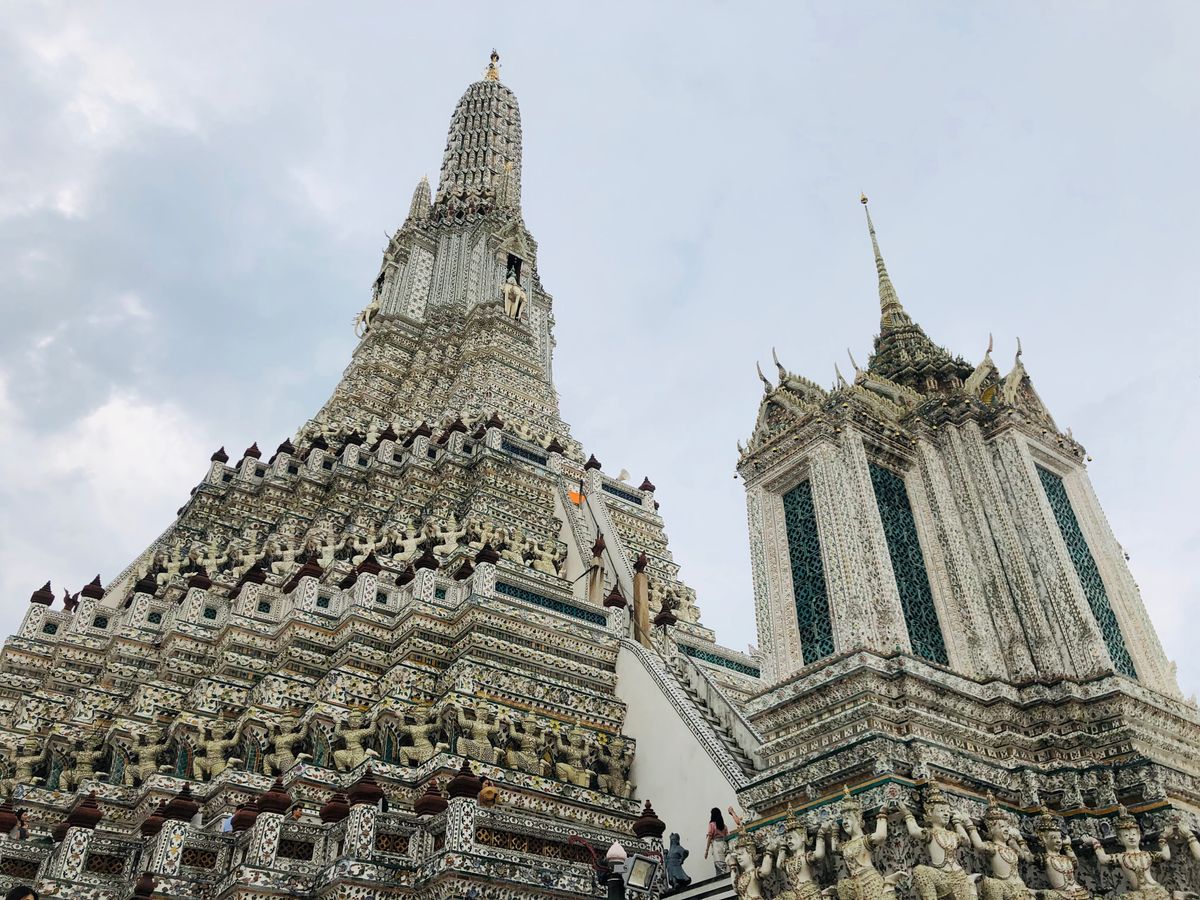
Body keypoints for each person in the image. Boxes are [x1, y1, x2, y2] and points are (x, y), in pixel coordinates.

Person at [705, 807, 730, 875]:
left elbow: (710, 836)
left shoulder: (712, 824)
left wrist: (707, 850)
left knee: (719, 864)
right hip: (724, 844)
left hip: (717, 845)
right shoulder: (724, 826)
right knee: (726, 863)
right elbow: (727, 836)